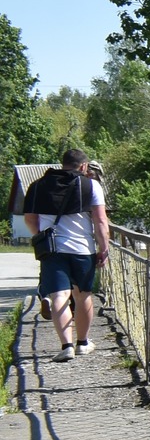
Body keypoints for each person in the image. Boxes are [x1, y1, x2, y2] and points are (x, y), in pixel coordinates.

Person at [23, 150, 110, 362]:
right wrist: (104, 248)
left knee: (59, 295)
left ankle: (66, 346)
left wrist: (41, 236)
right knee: (83, 295)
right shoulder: (91, 186)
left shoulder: (37, 186)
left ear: (63, 164)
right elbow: (100, 221)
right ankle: (83, 343)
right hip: (83, 249)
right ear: (83, 166)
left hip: (52, 249)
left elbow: (30, 220)